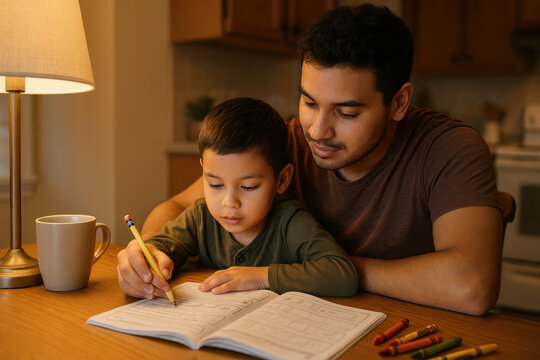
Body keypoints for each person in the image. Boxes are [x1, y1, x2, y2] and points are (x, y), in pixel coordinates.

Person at [118, 4, 503, 315]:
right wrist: (148, 254)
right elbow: (181, 206)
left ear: (399, 102)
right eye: (309, 101)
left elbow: (471, 286)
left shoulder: (451, 149)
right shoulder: (286, 141)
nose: (318, 130)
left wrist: (334, 269)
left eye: (347, 113)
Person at [117, 97, 358, 298]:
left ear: (282, 180)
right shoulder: (200, 217)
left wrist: (262, 277)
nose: (228, 202)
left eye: (249, 187)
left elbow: (342, 275)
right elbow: (161, 246)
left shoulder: (291, 222)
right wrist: (146, 262)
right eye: (215, 184)